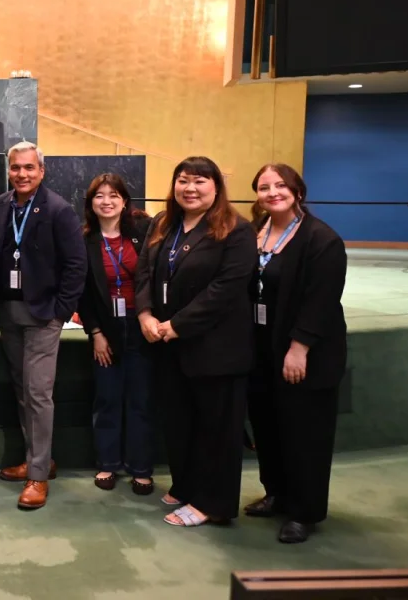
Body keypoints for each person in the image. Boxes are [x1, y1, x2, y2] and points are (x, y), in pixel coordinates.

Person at [135, 155, 257, 528]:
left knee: (215, 429)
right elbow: (144, 273)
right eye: (183, 180)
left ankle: (213, 503)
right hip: (169, 346)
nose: (190, 188)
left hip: (215, 348)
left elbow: (225, 289)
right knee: (180, 422)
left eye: (200, 181)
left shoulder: (236, 230)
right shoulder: (163, 223)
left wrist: (177, 325)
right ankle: (186, 485)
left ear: (216, 187)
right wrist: (145, 313)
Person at [243, 164, 347, 544]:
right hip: (262, 349)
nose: (272, 192)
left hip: (305, 353)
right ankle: (277, 494)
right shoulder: (258, 232)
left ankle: (304, 511)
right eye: (264, 187)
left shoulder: (322, 240)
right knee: (268, 426)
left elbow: (321, 301)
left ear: (297, 191)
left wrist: (299, 348)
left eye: (280, 185)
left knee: (305, 433)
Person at [0, 141, 86, 510]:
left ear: (41, 171)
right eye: (16, 168)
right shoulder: (0, 206)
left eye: (29, 168)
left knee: (39, 393)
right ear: (9, 170)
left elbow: (76, 265)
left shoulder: (59, 210)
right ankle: (37, 459)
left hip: (44, 316)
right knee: (22, 391)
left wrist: (61, 311)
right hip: (9, 314)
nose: (22, 174)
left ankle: (38, 476)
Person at [77, 174, 154, 495]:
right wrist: (95, 331)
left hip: (142, 326)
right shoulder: (84, 241)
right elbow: (83, 293)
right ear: (90, 203)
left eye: (113, 195)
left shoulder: (144, 236)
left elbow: (154, 279)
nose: (106, 201)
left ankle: (141, 468)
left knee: (141, 400)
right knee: (107, 398)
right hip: (105, 328)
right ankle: (108, 464)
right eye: (99, 196)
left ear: (124, 201)